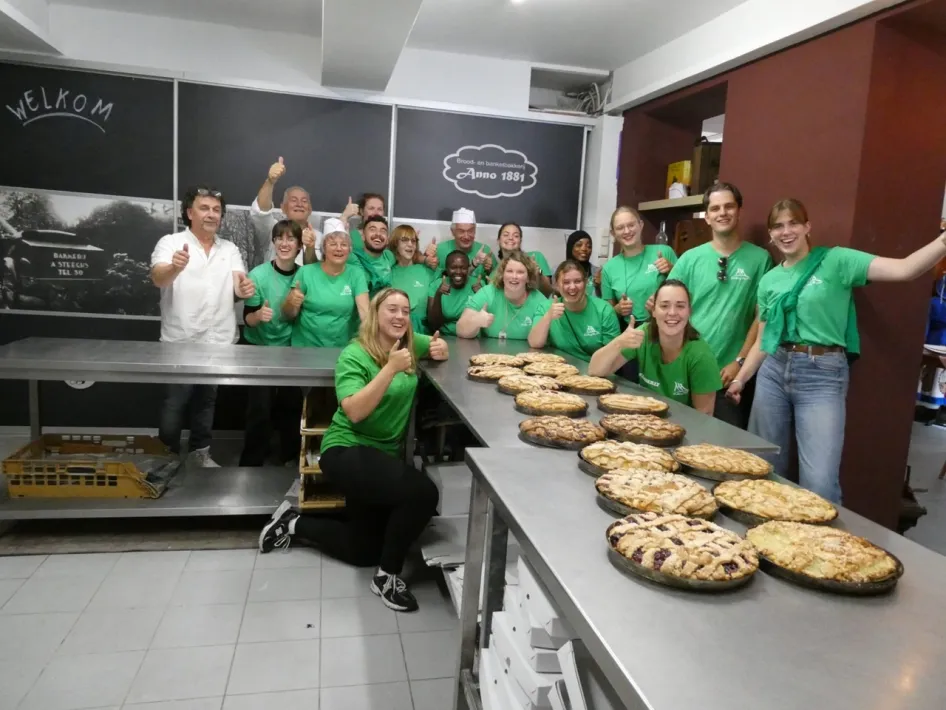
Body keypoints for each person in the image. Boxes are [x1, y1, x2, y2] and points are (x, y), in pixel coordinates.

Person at [726, 198, 946, 503]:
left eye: (793, 223)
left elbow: (905, 269)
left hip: (822, 375)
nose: (786, 232)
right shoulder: (769, 280)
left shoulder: (837, 261)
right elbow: (766, 338)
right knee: (763, 465)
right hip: (773, 371)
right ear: (771, 234)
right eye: (778, 226)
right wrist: (742, 378)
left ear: (807, 227)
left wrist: (943, 241)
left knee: (819, 482)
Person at [258, 288, 449, 612]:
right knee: (423, 493)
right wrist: (389, 369)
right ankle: (386, 578)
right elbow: (355, 411)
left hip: (380, 458)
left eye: (405, 310)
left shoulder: (407, 343)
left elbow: (435, 345)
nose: (400, 316)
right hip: (346, 450)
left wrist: (439, 348)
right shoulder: (354, 355)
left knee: (364, 551)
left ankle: (291, 523)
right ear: (375, 314)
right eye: (392, 309)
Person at [150, 185, 255, 466]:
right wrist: (174, 267)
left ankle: (200, 454)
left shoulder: (229, 249)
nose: (211, 214)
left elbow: (239, 282)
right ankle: (165, 461)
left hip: (217, 341)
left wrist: (243, 289)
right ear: (189, 212)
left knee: (206, 402)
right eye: (204, 208)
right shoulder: (171, 243)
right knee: (175, 403)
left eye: (216, 210)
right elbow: (158, 278)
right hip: (180, 340)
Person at [668, 183, 772, 428]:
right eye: (715, 208)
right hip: (687, 369)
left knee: (724, 445)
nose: (722, 213)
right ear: (706, 217)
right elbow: (668, 309)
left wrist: (740, 361)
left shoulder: (760, 260)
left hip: (728, 375)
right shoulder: (690, 259)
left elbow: (761, 319)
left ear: (739, 211)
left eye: (729, 206)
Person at [589, 280, 722, 415]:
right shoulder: (644, 334)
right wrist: (619, 342)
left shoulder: (701, 355)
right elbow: (595, 371)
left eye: (680, 306)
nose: (672, 312)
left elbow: (704, 415)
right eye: (664, 306)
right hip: (645, 417)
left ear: (689, 311)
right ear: (653, 311)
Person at [239, 220, 304, 467]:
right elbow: (248, 318)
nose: (284, 244)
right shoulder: (258, 275)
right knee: (260, 408)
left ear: (299, 246)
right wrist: (259, 316)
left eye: (290, 239)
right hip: (261, 348)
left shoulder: (304, 275)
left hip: (290, 349)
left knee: (291, 407)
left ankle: (289, 458)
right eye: (280, 238)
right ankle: (252, 462)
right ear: (274, 242)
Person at [284, 218, 369, 347]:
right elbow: (289, 314)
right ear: (323, 248)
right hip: (305, 347)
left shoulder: (356, 274)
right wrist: (291, 303)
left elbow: (365, 313)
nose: (339, 249)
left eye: (344, 245)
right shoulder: (306, 272)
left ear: (349, 250)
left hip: (342, 349)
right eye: (333, 244)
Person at [528, 260, 619, 361]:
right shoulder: (545, 307)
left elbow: (613, 354)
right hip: (559, 366)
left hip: (594, 367)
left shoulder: (604, 310)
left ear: (585, 283)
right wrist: (548, 317)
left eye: (577, 281)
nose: (572, 287)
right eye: (566, 282)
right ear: (556, 285)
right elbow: (535, 343)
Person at [601, 207, 676, 327]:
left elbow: (687, 290)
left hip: (667, 324)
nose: (627, 231)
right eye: (620, 228)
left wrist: (671, 269)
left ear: (641, 225)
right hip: (630, 329)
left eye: (631, 225)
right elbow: (606, 314)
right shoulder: (608, 268)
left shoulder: (665, 252)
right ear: (613, 233)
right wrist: (618, 309)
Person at [457, 250, 549, 340]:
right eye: (509, 271)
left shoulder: (539, 301)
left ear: (528, 278)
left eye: (520, 272)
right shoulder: (488, 292)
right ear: (502, 275)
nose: (514, 276)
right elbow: (460, 329)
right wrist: (476, 321)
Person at [251, 157, 318, 264]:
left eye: (304, 201)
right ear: (283, 208)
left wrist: (310, 247)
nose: (299, 204)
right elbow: (261, 213)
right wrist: (270, 181)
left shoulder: (320, 237)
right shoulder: (272, 229)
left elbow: (320, 270)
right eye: (294, 200)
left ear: (310, 209)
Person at [389, 224, 435, 334]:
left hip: (422, 333)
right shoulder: (388, 273)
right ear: (395, 243)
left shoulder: (426, 271)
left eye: (413, 241)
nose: (410, 244)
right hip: (395, 331)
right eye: (404, 240)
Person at [426, 250, 482, 336]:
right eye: (453, 268)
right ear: (446, 268)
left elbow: (488, 321)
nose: (458, 272)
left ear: (468, 268)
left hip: (473, 337)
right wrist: (438, 294)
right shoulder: (436, 285)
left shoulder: (478, 285)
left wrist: (481, 295)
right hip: (447, 337)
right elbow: (433, 325)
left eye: (463, 268)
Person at [433, 208, 493, 279]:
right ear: (453, 232)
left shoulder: (485, 250)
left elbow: (496, 279)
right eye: (461, 231)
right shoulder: (439, 250)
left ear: (475, 231)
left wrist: (489, 269)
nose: (466, 236)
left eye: (470, 231)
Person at [496, 222, 553, 296]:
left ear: (520, 241)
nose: (510, 238)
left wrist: (539, 273)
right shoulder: (495, 271)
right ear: (498, 241)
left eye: (516, 236)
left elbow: (548, 291)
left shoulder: (536, 257)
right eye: (506, 235)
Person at [348, 215, 396, 296]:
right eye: (372, 230)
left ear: (387, 239)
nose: (378, 234)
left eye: (383, 231)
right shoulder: (353, 258)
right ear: (363, 236)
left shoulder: (389, 256)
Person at [566, 230, 601, 297]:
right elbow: (552, 298)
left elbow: (605, 300)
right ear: (570, 247)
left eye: (589, 246)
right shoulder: (558, 271)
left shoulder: (597, 273)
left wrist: (599, 287)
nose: (584, 249)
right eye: (579, 245)